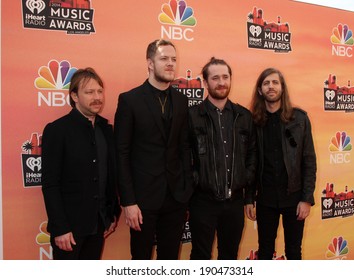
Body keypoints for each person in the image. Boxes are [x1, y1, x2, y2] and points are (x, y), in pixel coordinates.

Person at [114, 39, 193, 260]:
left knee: (170, 259)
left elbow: (184, 148)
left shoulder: (181, 100)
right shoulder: (130, 100)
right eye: (164, 59)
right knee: (141, 260)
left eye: (174, 59)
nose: (170, 64)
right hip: (142, 200)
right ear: (150, 63)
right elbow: (121, 153)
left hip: (175, 197)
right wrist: (128, 201)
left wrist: (185, 192)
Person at [41, 67, 120, 260]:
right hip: (69, 230)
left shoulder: (106, 129)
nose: (97, 97)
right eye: (89, 92)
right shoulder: (57, 130)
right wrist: (60, 228)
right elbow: (50, 184)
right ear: (74, 96)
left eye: (100, 91)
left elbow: (109, 174)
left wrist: (112, 213)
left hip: (99, 223)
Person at [188, 57, 257, 260]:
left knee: (229, 257)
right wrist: (195, 182)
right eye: (215, 77)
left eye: (225, 77)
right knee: (200, 256)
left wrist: (248, 192)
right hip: (202, 201)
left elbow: (252, 156)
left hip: (234, 202)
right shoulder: (192, 116)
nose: (221, 82)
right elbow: (183, 157)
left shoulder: (243, 116)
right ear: (206, 82)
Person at [247, 67, 317, 260]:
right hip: (265, 200)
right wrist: (249, 197)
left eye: (275, 82)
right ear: (260, 90)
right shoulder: (253, 122)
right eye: (266, 83)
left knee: (294, 252)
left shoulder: (300, 119)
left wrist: (306, 198)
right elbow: (251, 162)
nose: (271, 87)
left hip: (294, 199)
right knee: (265, 252)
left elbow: (309, 160)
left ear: (282, 88)